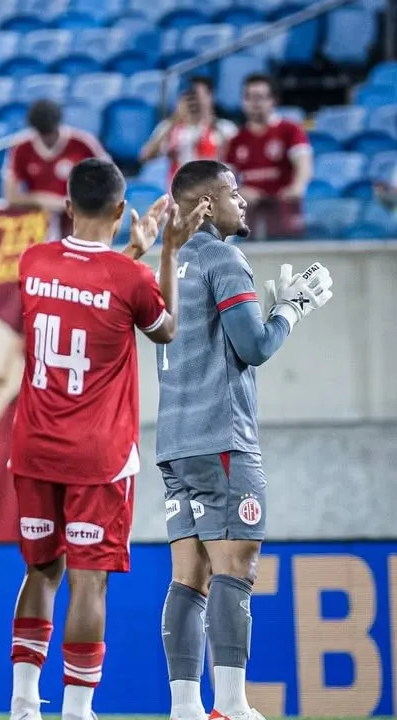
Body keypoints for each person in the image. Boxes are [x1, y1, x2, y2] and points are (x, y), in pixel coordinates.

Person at [7, 157, 206, 720]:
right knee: (88, 582)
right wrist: (165, 249)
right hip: (98, 456)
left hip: (33, 448)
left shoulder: (33, 262)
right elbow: (165, 327)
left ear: (68, 206)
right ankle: (76, 709)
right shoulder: (132, 279)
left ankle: (23, 703)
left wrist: (136, 254)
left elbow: (83, 285)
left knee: (41, 572)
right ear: (121, 212)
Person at [155, 160, 333, 720]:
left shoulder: (166, 264)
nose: (245, 200)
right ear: (206, 205)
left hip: (174, 442)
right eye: (233, 192)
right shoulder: (223, 258)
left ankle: (185, 707)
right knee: (236, 564)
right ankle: (230, 705)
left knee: (189, 575)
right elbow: (253, 346)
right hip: (221, 437)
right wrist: (290, 311)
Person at [224, 74, 313, 240]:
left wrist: (297, 187)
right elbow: (226, 180)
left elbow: (304, 166)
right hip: (250, 220)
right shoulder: (236, 139)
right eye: (249, 97)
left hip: (285, 215)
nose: (255, 103)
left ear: (273, 100)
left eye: (260, 97)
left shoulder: (290, 130)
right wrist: (241, 192)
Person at [2, 100, 108, 233]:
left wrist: (78, 203)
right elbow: (11, 196)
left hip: (79, 219)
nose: (47, 139)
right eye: (41, 134)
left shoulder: (83, 143)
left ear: (59, 125)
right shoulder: (21, 146)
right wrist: (42, 200)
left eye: (51, 132)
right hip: (38, 221)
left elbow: (110, 184)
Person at [139, 79, 237, 185]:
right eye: (191, 97)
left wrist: (212, 124)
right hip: (181, 191)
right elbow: (145, 156)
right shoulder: (170, 127)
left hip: (214, 189)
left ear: (211, 97)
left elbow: (237, 160)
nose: (195, 102)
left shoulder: (225, 127)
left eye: (199, 96)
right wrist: (174, 119)